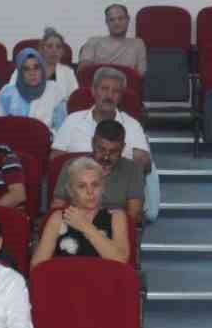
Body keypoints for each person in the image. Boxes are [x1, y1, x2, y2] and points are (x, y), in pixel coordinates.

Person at [52, 66, 157, 222]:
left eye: (116, 91)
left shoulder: (132, 125)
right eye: (104, 89)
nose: (109, 95)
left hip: (117, 198)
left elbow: (144, 162)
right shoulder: (72, 120)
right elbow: (55, 160)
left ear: (121, 96)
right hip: (77, 199)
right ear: (94, 91)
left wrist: (108, 158)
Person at [32, 157, 130, 265]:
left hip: (105, 276)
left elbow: (121, 262)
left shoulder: (116, 216)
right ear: (70, 191)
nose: (90, 191)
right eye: (82, 186)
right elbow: (37, 267)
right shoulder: (58, 218)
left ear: (102, 187)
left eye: (95, 185)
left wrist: (85, 226)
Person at [50, 119, 144, 231]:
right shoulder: (72, 166)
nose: (106, 157)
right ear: (92, 143)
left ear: (123, 148)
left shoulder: (133, 170)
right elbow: (57, 206)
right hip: (74, 226)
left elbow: (133, 216)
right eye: (101, 149)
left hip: (115, 230)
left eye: (113, 152)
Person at [0, 47, 69, 131]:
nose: (32, 73)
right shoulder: (7, 92)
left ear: (42, 69)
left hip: (45, 138)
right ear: (20, 73)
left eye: (36, 67)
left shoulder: (55, 91)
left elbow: (61, 129)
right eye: (26, 69)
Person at [77, 2, 148, 76]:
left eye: (120, 18)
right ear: (106, 22)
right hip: (98, 82)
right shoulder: (93, 41)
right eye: (111, 20)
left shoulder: (137, 43)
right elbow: (83, 71)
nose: (116, 23)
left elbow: (141, 73)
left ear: (128, 19)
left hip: (127, 82)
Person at [36, 27, 78, 94]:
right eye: (49, 46)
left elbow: (74, 97)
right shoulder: (28, 69)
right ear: (42, 49)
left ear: (62, 51)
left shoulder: (68, 73)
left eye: (58, 47)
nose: (54, 50)